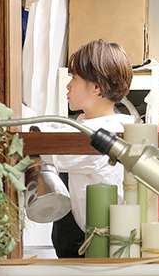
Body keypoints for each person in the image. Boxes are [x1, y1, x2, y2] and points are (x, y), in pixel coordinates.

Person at [47, 40, 135, 258]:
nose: (68, 85)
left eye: (74, 78)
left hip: (97, 253)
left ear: (96, 87)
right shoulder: (88, 126)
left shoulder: (103, 135)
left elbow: (49, 150)